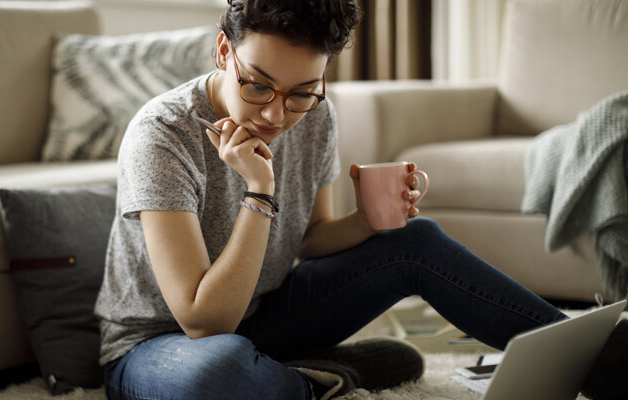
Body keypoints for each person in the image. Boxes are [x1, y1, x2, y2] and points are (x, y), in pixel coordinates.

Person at [95, 1, 625, 399]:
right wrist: (259, 192)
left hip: (266, 314)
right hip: (158, 346)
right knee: (218, 373)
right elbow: (203, 322)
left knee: (412, 240)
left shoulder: (317, 114)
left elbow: (311, 242)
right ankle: (327, 376)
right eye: (258, 86)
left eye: (302, 91)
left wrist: (370, 223)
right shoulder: (162, 135)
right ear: (224, 51)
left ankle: (609, 364)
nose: (277, 115)